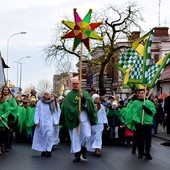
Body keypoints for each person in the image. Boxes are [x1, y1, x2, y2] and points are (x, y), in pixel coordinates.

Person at [59, 79, 98, 162]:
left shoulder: (84, 93)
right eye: (74, 84)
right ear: (72, 85)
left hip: (84, 118)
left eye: (77, 83)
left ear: (80, 84)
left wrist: (83, 99)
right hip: (73, 119)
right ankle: (77, 154)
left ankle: (83, 148)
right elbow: (66, 106)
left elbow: (90, 103)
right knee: (75, 138)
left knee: (87, 135)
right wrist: (75, 110)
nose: (75, 85)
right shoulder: (69, 95)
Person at [126, 89, 156, 160]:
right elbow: (131, 112)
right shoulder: (135, 103)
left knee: (148, 139)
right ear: (137, 94)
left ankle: (147, 153)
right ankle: (140, 153)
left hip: (147, 124)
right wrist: (136, 121)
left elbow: (153, 112)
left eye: (142, 93)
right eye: (139, 93)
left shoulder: (149, 102)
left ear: (145, 94)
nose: (141, 94)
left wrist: (146, 109)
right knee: (140, 140)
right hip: (139, 123)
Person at [32, 90, 60, 157]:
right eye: (45, 94)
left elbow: (55, 112)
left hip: (50, 122)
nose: (46, 95)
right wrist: (37, 121)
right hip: (42, 122)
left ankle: (49, 150)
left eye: (47, 94)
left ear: (50, 95)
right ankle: (44, 150)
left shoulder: (53, 102)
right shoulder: (40, 102)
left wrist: (56, 121)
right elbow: (37, 112)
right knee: (43, 136)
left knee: (49, 135)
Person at [1, 85, 18, 151]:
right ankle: (2, 145)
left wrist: (7, 108)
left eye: (7, 90)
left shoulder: (12, 98)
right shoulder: (1, 97)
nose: (6, 91)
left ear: (9, 91)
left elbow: (15, 107)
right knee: (3, 132)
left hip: (10, 117)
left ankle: (7, 145)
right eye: (5, 90)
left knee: (9, 132)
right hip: (3, 116)